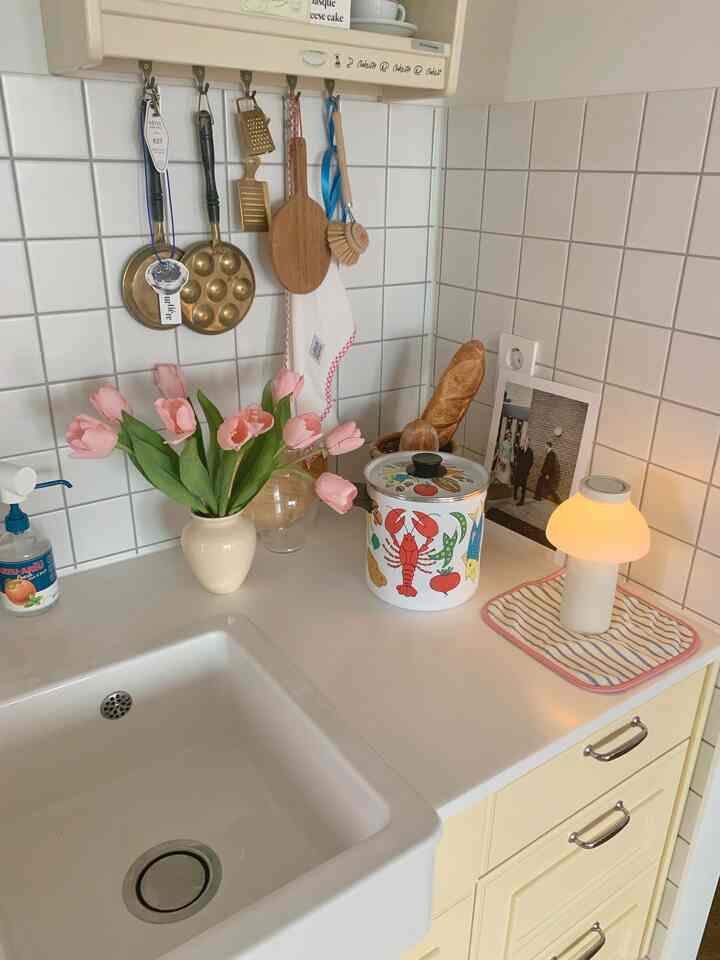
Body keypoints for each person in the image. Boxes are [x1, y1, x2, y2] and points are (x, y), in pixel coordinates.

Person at [513, 438, 534, 506]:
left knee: (523, 486)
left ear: (529, 443)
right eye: (525, 442)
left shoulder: (530, 451)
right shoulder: (520, 449)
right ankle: (515, 494)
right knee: (516, 483)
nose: (526, 443)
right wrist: (520, 449)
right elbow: (517, 458)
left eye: (528, 442)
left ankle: (522, 501)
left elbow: (531, 462)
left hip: (525, 472)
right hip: (519, 470)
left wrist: (527, 469)